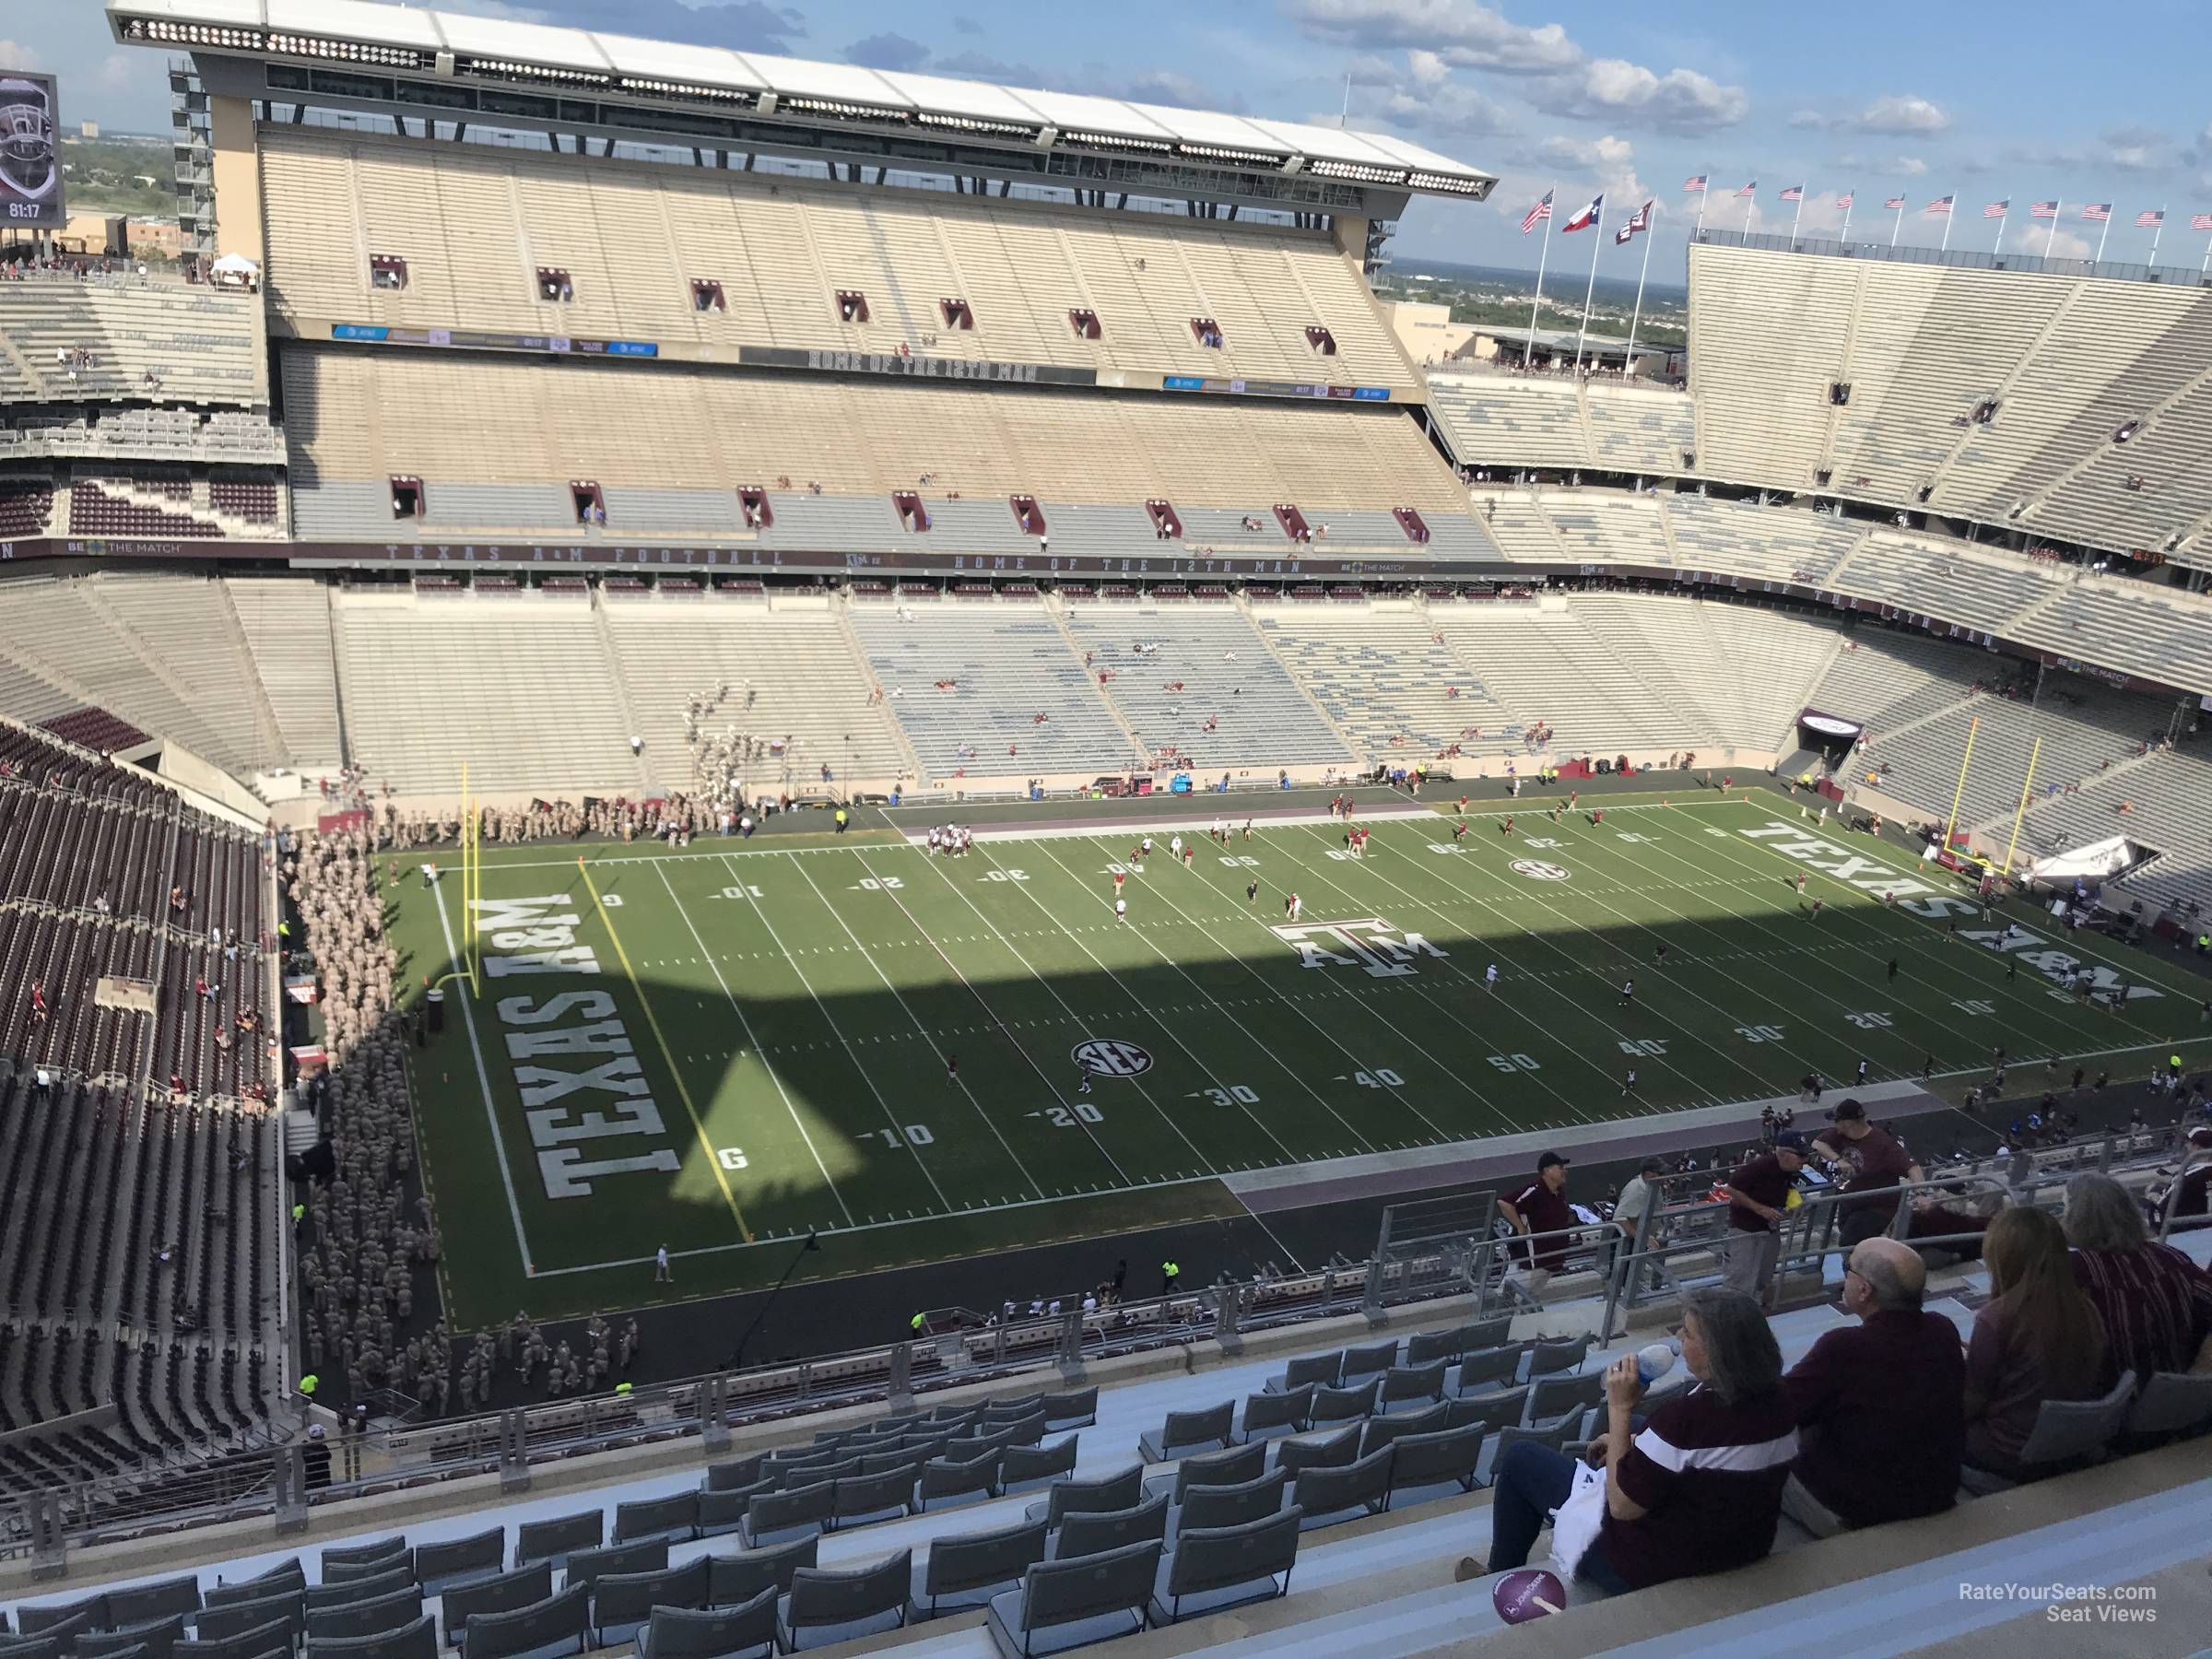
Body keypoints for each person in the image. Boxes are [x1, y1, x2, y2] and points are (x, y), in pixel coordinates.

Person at [1460, 1288, 1795, 1593]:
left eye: (1688, 1333)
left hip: (1651, 1563)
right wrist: (1632, 1437)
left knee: (1521, 1459)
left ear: (1716, 1353)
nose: (1678, 1336)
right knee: (1639, 1426)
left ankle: (1499, 1574)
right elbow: (1711, 1451)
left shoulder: (1685, 1420)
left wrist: (1619, 1409)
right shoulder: (1782, 1400)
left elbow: (1622, 1507)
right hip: (1742, 1543)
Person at [1779, 1237, 1965, 1535]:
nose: (1844, 1276)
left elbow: (1776, 1410)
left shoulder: (1842, 1347)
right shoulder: (1943, 1329)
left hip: (1861, 1506)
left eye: (1847, 1268)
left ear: (1864, 1290)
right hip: (1936, 1492)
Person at [1961, 1206, 2106, 1481]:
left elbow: (1971, 1403)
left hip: (2009, 1451)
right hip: (2067, 1443)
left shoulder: (1997, 1318)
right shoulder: (2086, 1307)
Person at [2062, 1172, 2212, 1386]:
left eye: (2065, 1208)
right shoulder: (2168, 1258)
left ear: (2078, 1216)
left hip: (2107, 1407)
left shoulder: (2071, 1270)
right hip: (2177, 1397)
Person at [1810, 1098, 1921, 1248]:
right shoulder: (1841, 1134)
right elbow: (1817, 1144)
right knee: (1851, 1242)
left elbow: (1912, 1167)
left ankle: (1856, 1270)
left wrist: (1920, 1194)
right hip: (1850, 1200)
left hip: (1876, 1208)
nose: (1833, 1124)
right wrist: (1838, 1160)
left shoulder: (1882, 1143)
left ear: (1848, 1123)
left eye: (1836, 1120)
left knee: (1849, 1244)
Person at [1722, 1132, 1804, 1299]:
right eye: (1801, 1155)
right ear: (1784, 1154)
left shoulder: (1786, 1170)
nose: (1804, 1160)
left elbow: (1784, 1189)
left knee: (1764, 1276)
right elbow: (1730, 1189)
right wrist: (1760, 1209)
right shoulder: (1760, 1167)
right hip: (1746, 1230)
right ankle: (1733, 1316)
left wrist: (1792, 1205)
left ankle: (1754, 1309)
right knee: (1740, 1278)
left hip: (1768, 1229)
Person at [1498, 1151, 1577, 1298]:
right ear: (1547, 1171)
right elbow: (1505, 1203)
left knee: (1530, 1298)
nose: (1565, 1170)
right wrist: (1520, 1227)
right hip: (1531, 1260)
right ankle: (1497, 1319)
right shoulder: (1534, 1190)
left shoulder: (1559, 1192)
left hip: (1551, 1259)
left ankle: (1521, 1319)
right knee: (1511, 1298)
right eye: (1560, 1167)